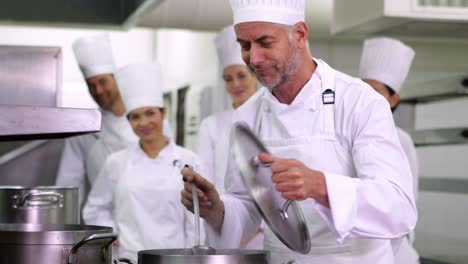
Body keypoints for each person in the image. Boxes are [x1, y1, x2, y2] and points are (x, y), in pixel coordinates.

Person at [180, 1, 417, 264]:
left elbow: (399, 208)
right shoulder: (247, 116)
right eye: (245, 46)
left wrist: (320, 185)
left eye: (265, 42)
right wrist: (216, 209)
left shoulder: (360, 102)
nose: (253, 59)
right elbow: (248, 208)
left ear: (300, 35)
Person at [83, 63, 198, 261]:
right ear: (129, 121)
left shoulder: (189, 160)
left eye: (150, 113)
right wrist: (111, 235)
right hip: (127, 258)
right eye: (135, 117)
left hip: (174, 259)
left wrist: (190, 257)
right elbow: (95, 208)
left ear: (163, 113)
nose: (144, 123)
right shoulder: (116, 162)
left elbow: (196, 219)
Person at [56, 33, 172, 212]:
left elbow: (168, 173)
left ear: (116, 79)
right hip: (106, 223)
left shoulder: (152, 123)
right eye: (91, 85)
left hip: (152, 216)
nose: (98, 90)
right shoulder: (84, 128)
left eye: (103, 81)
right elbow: (69, 184)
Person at [197, 25, 263, 249]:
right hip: (224, 224)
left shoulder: (269, 117)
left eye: (241, 76)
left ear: (254, 76)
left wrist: (259, 227)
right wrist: (229, 222)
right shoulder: (211, 125)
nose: (235, 84)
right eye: (228, 78)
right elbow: (207, 179)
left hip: (269, 231)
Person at [359, 37, 420, 264]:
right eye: (362, 88)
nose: (366, 97)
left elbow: (408, 199)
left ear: (393, 99)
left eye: (375, 91)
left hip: (393, 250)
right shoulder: (348, 132)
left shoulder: (401, 140)